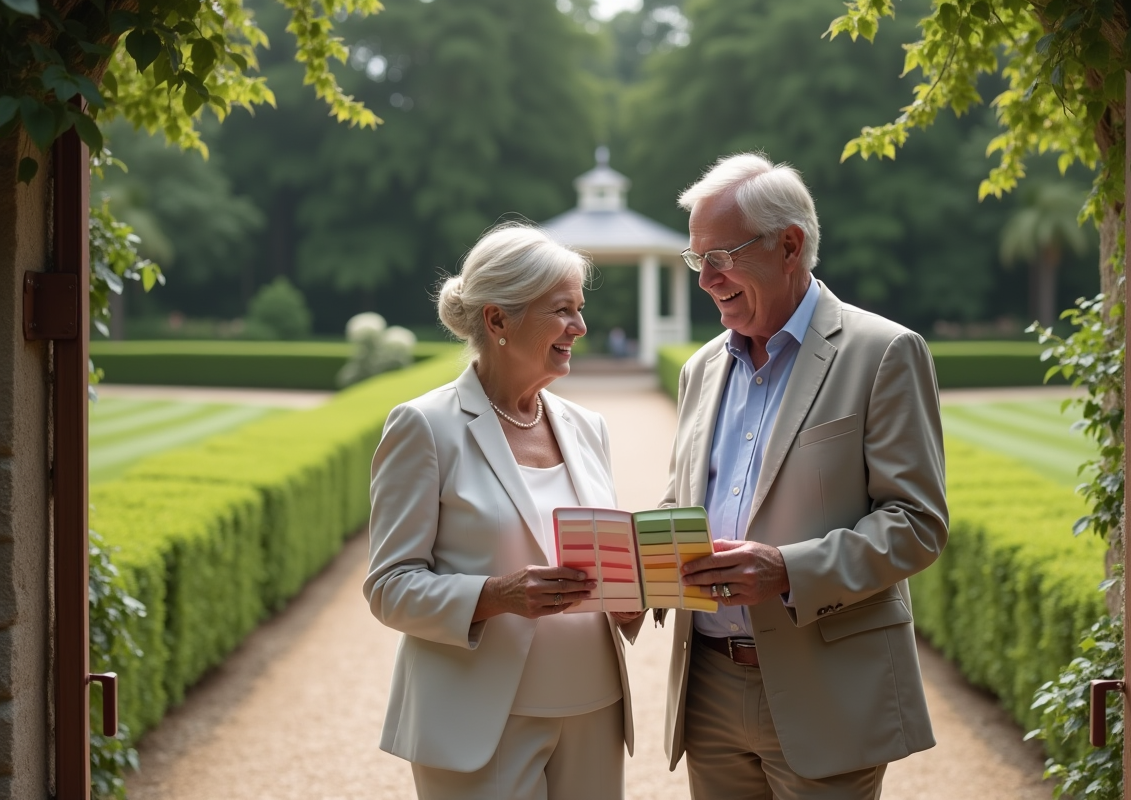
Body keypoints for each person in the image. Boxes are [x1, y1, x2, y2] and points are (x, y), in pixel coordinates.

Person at [660, 153, 949, 800]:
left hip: (828, 687)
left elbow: (918, 525)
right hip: (706, 687)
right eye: (696, 259)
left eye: (720, 257)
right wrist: (633, 564)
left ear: (789, 245)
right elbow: (683, 499)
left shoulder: (885, 353)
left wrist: (788, 570)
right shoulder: (701, 368)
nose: (706, 280)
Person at [364, 223, 643, 800]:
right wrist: (496, 595)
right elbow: (389, 587)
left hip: (595, 707)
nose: (580, 328)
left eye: (580, 309)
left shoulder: (588, 428)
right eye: (562, 310)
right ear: (497, 322)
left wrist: (638, 590)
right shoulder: (424, 427)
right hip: (478, 720)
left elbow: (602, 558)